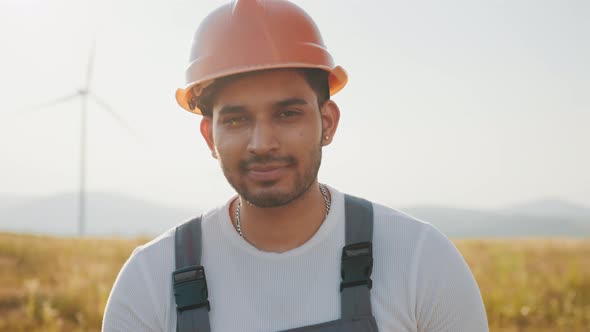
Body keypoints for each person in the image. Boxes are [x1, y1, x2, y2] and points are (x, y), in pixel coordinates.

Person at [102, 0, 488, 331]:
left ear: (328, 122)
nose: (262, 143)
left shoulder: (421, 261)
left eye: (287, 114)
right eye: (236, 120)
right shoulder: (150, 281)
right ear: (209, 137)